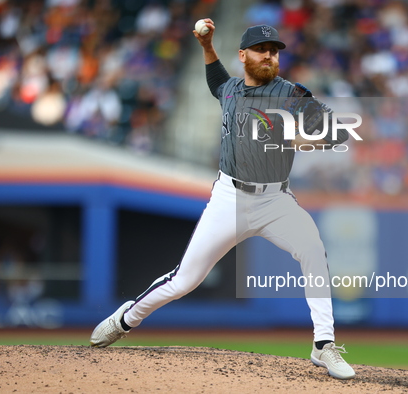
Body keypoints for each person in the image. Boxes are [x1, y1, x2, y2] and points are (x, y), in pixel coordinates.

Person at [90, 20, 356, 380]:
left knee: (313, 250)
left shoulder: (291, 94)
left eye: (275, 51)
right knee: (184, 280)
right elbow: (216, 80)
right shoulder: (229, 89)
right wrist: (206, 46)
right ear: (244, 55)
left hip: (275, 200)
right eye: (263, 50)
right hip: (229, 198)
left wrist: (295, 139)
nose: (270, 56)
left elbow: (337, 132)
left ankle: (323, 345)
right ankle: (125, 319)